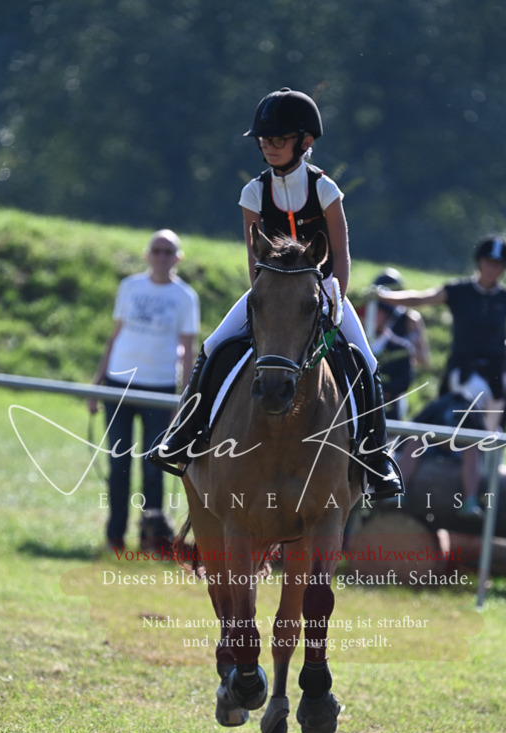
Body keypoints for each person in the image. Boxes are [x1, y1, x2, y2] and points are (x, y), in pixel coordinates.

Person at [154, 87, 403, 500]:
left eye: (278, 139)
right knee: (213, 347)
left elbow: (340, 253)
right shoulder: (254, 192)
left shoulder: (325, 189)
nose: (268, 146)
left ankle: (376, 459)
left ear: (305, 142)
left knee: (366, 360)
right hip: (269, 292)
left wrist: (335, 298)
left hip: (322, 290)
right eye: (264, 140)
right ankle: (184, 432)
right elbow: (255, 260)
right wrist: (262, 299)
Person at [376, 235, 506, 517]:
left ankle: (474, 496)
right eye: (488, 262)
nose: (492, 269)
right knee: (431, 426)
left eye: (498, 265)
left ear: (503, 268)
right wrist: (385, 297)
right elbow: (422, 298)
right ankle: (404, 489)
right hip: (459, 375)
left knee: (476, 431)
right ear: (479, 262)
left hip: (492, 379)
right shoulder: (459, 290)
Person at [90, 230, 199, 550]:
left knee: (154, 467)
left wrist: (186, 398)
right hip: (119, 384)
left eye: (169, 251)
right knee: (118, 464)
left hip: (160, 386)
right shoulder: (129, 287)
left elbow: (188, 349)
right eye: (157, 250)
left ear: (178, 258)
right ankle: (114, 536)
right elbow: (115, 335)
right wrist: (97, 384)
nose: (162, 257)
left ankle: (152, 538)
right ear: (147, 254)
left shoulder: (185, 296)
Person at [363, 268, 429, 419]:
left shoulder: (409, 320)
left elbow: (423, 359)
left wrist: (402, 351)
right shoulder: (369, 313)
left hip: (394, 385)